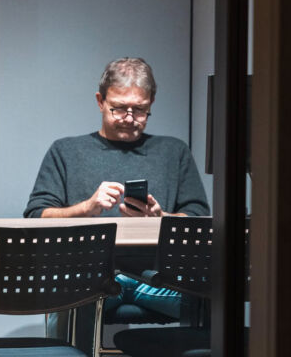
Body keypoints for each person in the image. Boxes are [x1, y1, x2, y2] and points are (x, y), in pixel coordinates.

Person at [24, 57, 210, 340]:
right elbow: (36, 216)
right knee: (68, 299)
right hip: (89, 278)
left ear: (152, 103)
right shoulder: (65, 151)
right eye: (119, 108)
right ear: (100, 101)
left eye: (140, 110)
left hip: (160, 280)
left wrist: (161, 218)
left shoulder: (174, 152)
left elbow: (199, 218)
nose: (129, 118)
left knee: (209, 295)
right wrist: (87, 207)